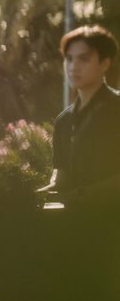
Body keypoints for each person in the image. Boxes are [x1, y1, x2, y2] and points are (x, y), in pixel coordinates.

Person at [45, 24, 120, 202]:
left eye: (83, 59)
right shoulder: (63, 120)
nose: (73, 67)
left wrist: (80, 195)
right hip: (72, 225)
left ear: (105, 63)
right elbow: (60, 177)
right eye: (69, 59)